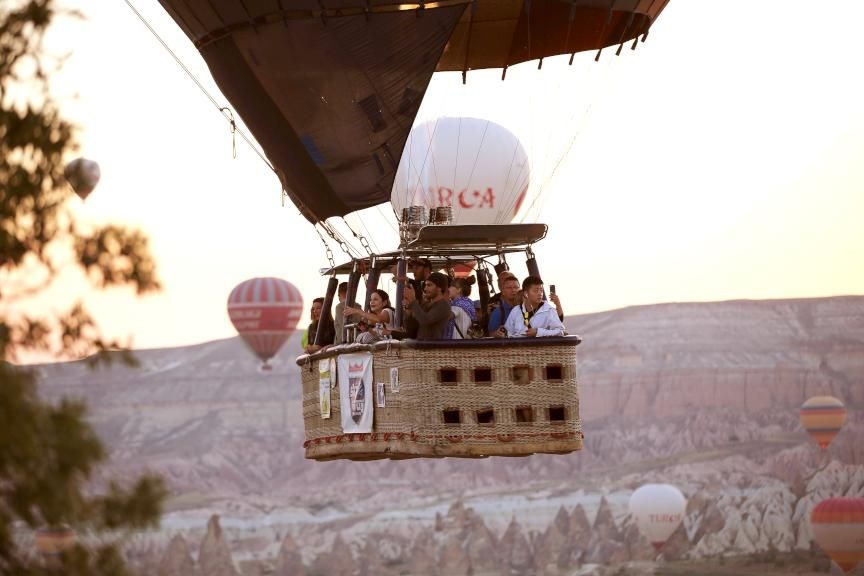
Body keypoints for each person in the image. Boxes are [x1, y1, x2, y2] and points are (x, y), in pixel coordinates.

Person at [403, 271, 451, 340]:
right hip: (422, 347)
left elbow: (425, 320)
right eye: (425, 285)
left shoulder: (443, 305)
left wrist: (413, 301)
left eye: (429, 285)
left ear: (439, 288)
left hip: (432, 348)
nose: (425, 289)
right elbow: (411, 326)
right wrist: (408, 311)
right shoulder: (426, 304)